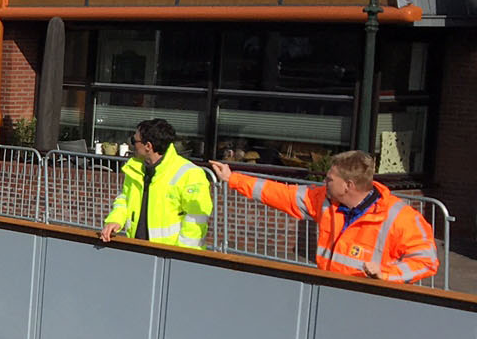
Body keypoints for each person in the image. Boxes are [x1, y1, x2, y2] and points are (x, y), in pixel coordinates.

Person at [210, 150, 439, 284]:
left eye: (329, 179)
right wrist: (233, 179)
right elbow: (283, 195)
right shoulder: (325, 199)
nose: (324, 182)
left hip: (372, 301)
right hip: (328, 289)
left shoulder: (400, 218)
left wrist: (387, 274)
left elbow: (426, 262)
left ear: (348, 185)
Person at [100, 117, 212, 249]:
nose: (131, 145)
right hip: (138, 247)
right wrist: (115, 220)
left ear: (148, 146)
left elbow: (196, 219)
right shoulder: (135, 169)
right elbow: (124, 198)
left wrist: (182, 255)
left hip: (170, 255)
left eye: (133, 141)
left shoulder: (190, 173)